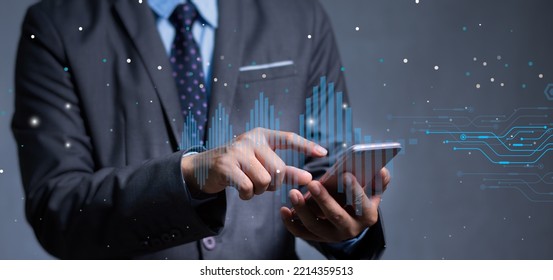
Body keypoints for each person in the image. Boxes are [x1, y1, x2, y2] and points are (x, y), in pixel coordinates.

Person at [12, 0, 390, 259]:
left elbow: (323, 165)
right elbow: (56, 209)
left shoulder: (299, 16)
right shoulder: (56, 26)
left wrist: (348, 229)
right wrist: (191, 176)